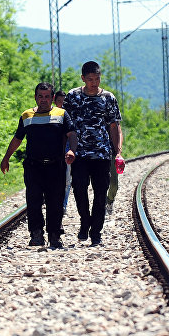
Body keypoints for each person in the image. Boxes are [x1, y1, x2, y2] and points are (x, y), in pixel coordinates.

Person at [1, 83, 77, 248]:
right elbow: (17, 138)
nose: (44, 100)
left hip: (55, 166)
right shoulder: (26, 116)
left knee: (55, 202)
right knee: (33, 201)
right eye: (40, 96)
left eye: (47, 96)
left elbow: (72, 134)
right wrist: (6, 157)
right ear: (35, 97)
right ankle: (36, 234)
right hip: (33, 166)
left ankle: (54, 235)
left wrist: (72, 150)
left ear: (52, 98)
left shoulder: (62, 114)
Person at [63, 61, 122, 245]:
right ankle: (84, 221)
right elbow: (64, 124)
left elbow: (114, 126)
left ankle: (96, 231)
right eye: (90, 79)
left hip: (102, 154)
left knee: (100, 193)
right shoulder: (72, 97)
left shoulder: (108, 98)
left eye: (97, 79)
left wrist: (118, 152)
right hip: (79, 153)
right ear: (83, 78)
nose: (94, 83)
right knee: (79, 189)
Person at [54, 91, 73, 213]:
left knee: (67, 180)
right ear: (54, 101)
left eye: (63, 102)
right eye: (59, 102)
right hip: (54, 152)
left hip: (67, 151)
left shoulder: (68, 116)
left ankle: (63, 205)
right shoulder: (51, 115)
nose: (61, 104)